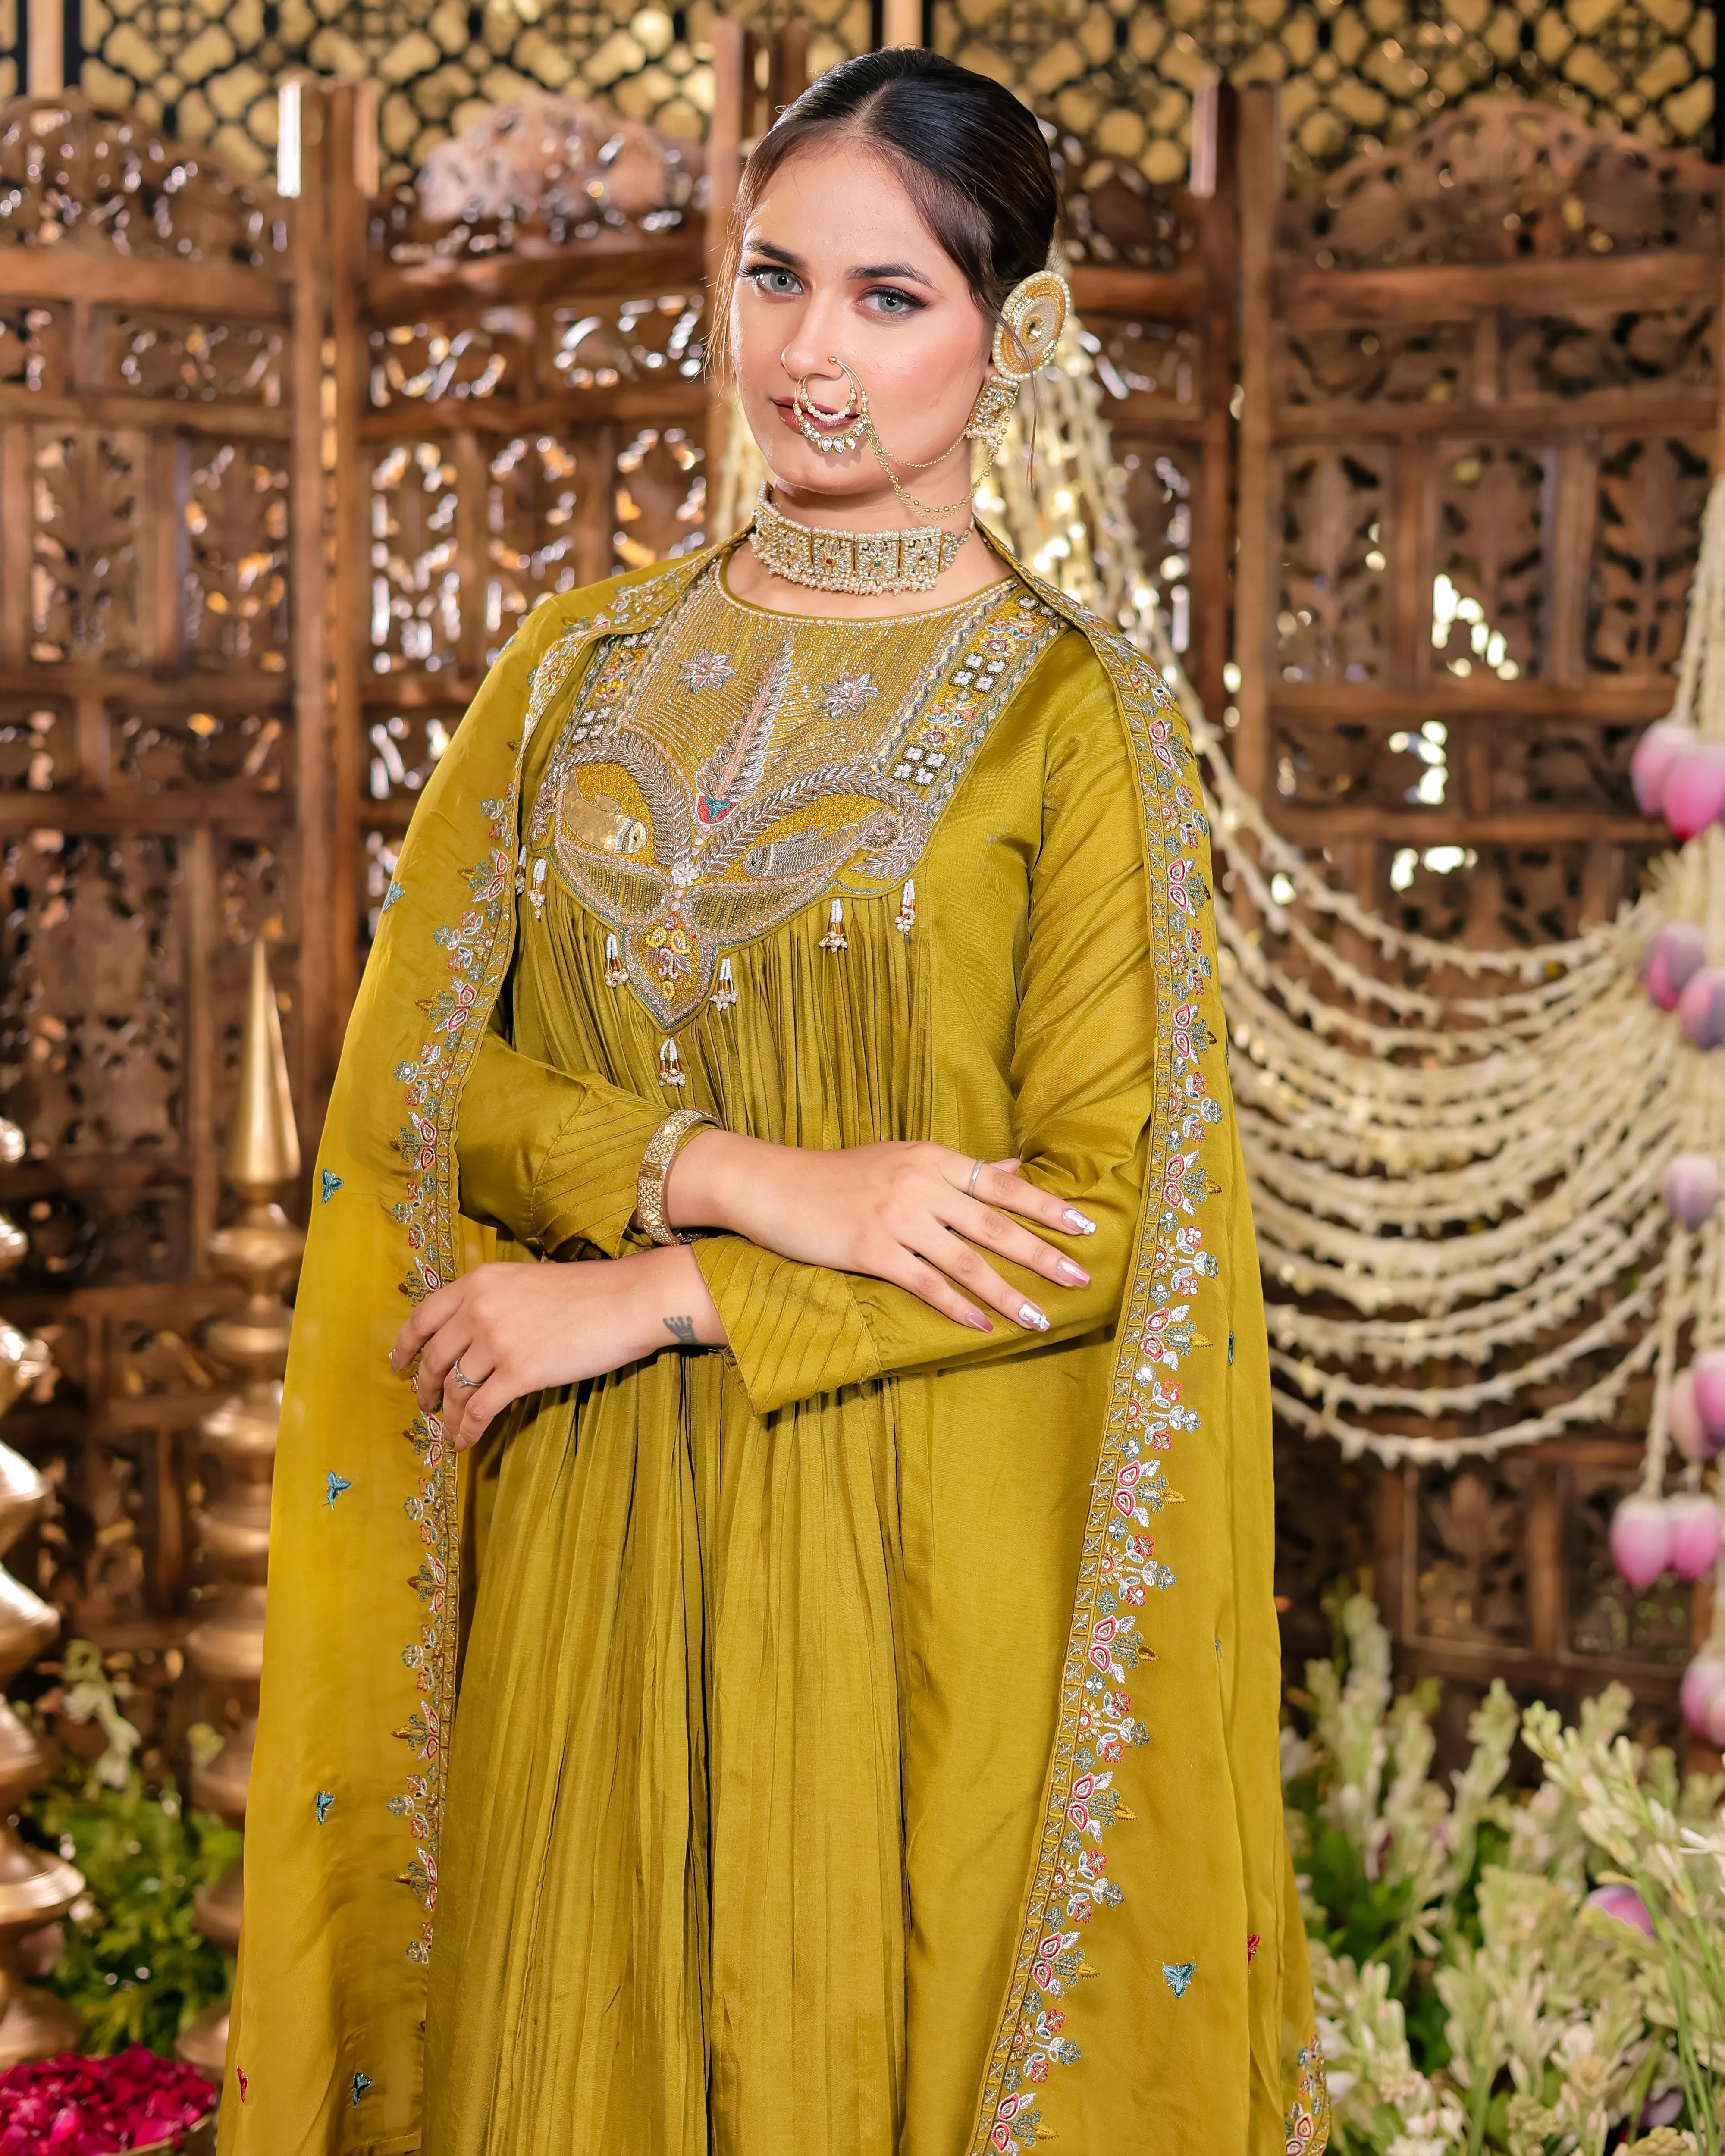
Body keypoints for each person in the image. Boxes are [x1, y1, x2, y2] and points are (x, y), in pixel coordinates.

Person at [223, 46, 1326, 2156]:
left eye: (890, 299)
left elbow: (1113, 1212)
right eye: (773, 279)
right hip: (588, 1526)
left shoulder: (1066, 724)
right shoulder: (570, 670)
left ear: (1007, 343)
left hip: (903, 1529)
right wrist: (736, 1177)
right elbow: (433, 1078)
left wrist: (664, 1288)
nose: (811, 355)